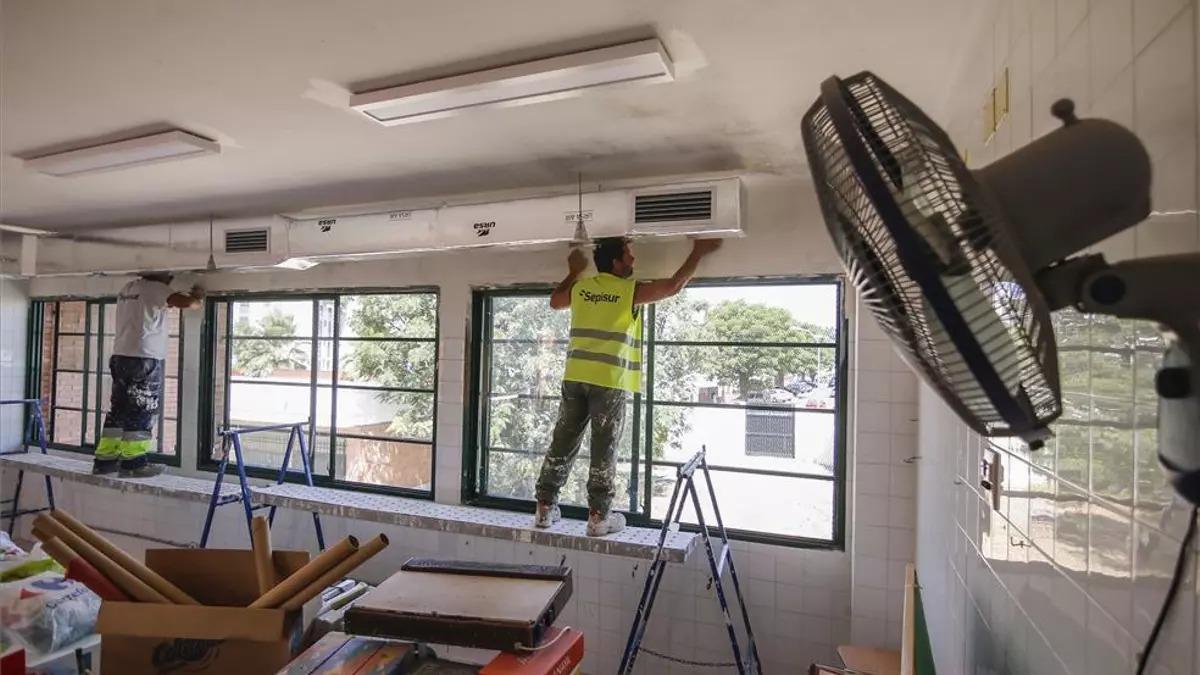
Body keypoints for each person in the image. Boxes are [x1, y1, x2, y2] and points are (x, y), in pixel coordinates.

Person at [534, 237, 722, 536]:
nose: (633, 261)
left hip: (575, 376)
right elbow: (674, 286)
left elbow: (555, 301)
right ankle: (598, 518)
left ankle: (544, 509)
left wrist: (573, 271)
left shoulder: (582, 289)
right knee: (604, 448)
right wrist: (697, 251)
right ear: (616, 262)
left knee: (563, 441)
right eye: (629, 256)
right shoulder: (627, 291)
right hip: (607, 381)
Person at [93, 272, 204, 477]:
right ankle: (134, 464)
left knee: (119, 409)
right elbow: (187, 303)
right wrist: (197, 298)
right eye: (169, 276)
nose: (171, 279)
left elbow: (153, 308)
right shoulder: (156, 288)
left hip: (121, 356)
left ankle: (105, 461)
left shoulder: (128, 288)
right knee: (142, 407)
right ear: (161, 275)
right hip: (144, 358)